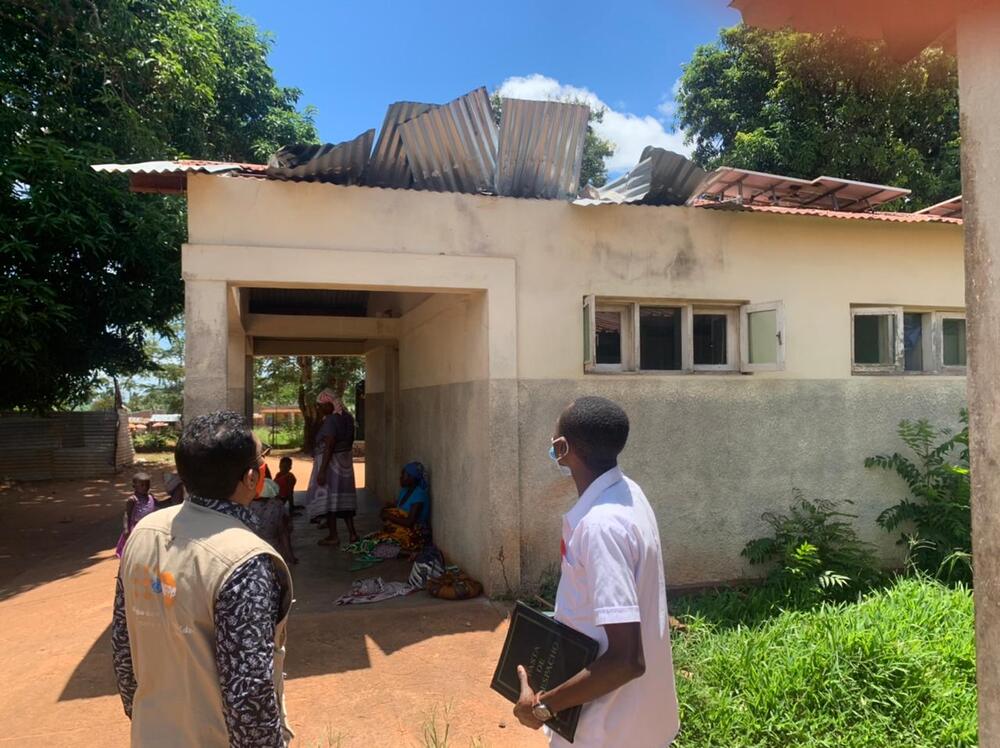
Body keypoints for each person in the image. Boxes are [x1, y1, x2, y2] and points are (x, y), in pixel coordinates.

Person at [111, 411, 294, 747]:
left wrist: (145, 718)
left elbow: (123, 649)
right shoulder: (244, 559)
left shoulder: (144, 533)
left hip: (152, 734)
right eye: (261, 459)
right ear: (252, 477)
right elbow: (249, 691)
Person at [512, 396, 679, 748]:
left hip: (607, 731)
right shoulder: (629, 493)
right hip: (638, 722)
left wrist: (543, 707)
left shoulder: (600, 526)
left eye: (554, 438)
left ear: (562, 449)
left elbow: (626, 660)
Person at [307, 389, 358, 546]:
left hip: (331, 466)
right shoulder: (348, 418)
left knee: (330, 500)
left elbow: (329, 444)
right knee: (344, 499)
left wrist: (322, 470)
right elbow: (348, 442)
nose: (320, 409)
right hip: (345, 466)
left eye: (322, 405)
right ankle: (352, 533)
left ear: (330, 404)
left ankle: (333, 536)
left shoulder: (331, 420)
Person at [374, 462, 431, 552]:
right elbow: (399, 509)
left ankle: (408, 553)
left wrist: (388, 516)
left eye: (403, 475)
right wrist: (387, 510)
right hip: (404, 529)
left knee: (380, 548)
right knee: (375, 540)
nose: (400, 478)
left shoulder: (419, 495)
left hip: (415, 533)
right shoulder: (404, 491)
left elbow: (410, 522)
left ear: (411, 477)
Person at [252, 477, 298, 566]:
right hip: (273, 549)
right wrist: (290, 557)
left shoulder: (246, 505)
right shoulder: (278, 505)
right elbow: (284, 532)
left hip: (253, 549)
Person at [115, 472, 155, 558]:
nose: (145, 487)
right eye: (142, 485)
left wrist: (174, 497)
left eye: (147, 485)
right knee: (130, 554)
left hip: (148, 529)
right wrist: (126, 529)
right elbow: (126, 514)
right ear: (134, 486)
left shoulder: (151, 497)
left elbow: (160, 504)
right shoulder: (133, 500)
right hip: (135, 529)